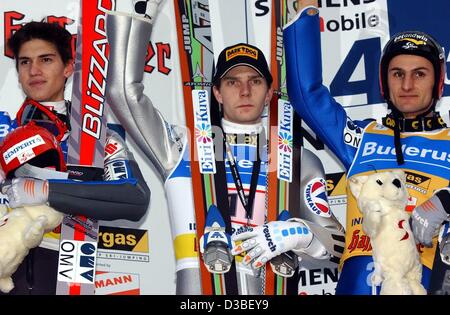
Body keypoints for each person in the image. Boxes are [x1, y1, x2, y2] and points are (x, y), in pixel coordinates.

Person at [104, 2, 343, 294]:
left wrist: (303, 235)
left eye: (255, 81)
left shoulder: (298, 159)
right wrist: (141, 10)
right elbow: (123, 92)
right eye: (232, 82)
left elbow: (340, 244)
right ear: (216, 92)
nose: (244, 91)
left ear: (269, 92)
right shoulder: (181, 146)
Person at [284, 0, 450, 294]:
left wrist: (447, 201)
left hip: (421, 281)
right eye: (397, 73)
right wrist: (307, 13)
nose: (408, 84)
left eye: (419, 74)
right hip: (355, 282)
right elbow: (307, 96)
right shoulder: (362, 138)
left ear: (438, 82)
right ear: (384, 82)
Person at [0, 20, 150, 294]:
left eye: (46, 59)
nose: (34, 71)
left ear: (69, 67)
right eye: (24, 62)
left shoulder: (95, 137)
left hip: (67, 268)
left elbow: (135, 196)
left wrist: (46, 189)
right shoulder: (4, 130)